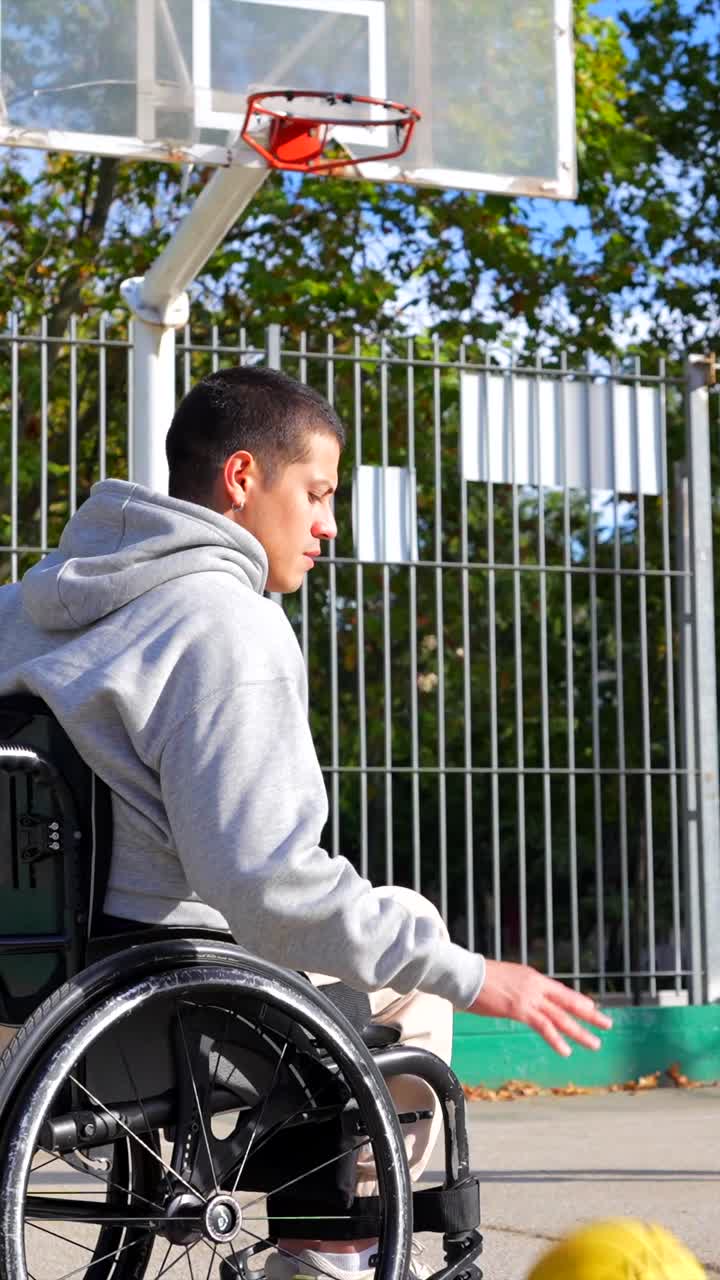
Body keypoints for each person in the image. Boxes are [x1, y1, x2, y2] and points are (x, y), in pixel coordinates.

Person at [0, 365, 611, 1280]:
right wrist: (475, 974)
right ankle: (330, 1254)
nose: (329, 525)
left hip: (24, 998)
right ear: (243, 479)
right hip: (147, 1013)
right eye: (319, 493)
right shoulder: (226, 625)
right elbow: (268, 887)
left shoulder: (21, 611)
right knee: (409, 964)